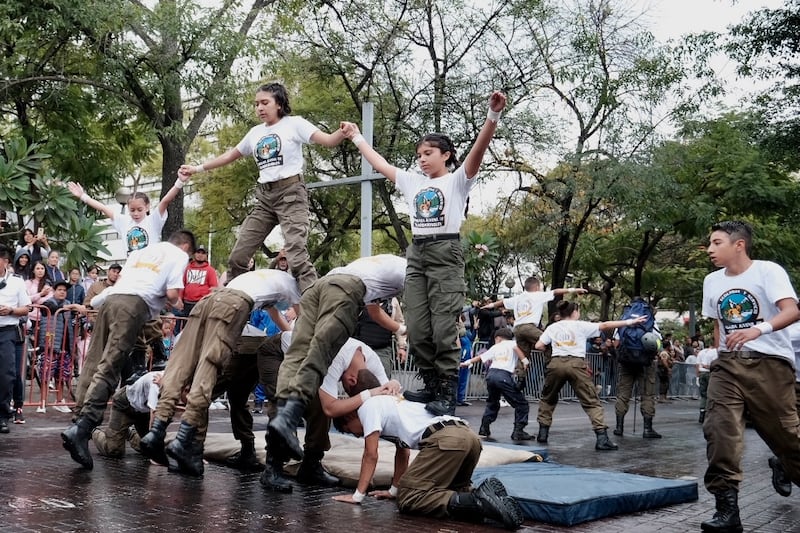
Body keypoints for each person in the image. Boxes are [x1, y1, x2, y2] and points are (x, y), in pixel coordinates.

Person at [341, 90, 507, 417]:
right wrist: (357, 136)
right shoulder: (413, 182)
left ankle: (446, 390)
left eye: (428, 153)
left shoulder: (458, 180)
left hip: (445, 251)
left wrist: (493, 116)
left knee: (444, 327)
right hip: (416, 253)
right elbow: (380, 164)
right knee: (416, 326)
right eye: (419, 154)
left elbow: (478, 150)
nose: (422, 158)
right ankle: (429, 382)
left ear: (445, 155)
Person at [178, 82, 348, 291]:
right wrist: (197, 168)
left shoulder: (295, 124)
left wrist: (343, 132)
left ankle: (313, 303)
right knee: (238, 256)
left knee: (296, 255)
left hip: (291, 195)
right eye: (256, 104)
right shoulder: (255, 133)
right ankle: (235, 297)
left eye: (264, 103)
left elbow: (329, 140)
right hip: (265, 199)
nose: (259, 108)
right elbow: (230, 155)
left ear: (278, 104)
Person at [139, 268, 300, 477]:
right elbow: (304, 320)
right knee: (209, 374)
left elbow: (275, 315)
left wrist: (287, 333)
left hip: (209, 301)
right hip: (234, 315)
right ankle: (185, 441)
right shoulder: (294, 285)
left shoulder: (265, 278)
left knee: (182, 366)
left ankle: (160, 431)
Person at [263, 254, 406, 488]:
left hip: (319, 288)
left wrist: (395, 384)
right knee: (288, 400)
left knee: (315, 401)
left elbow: (390, 393)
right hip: (274, 351)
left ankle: (310, 464)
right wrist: (369, 395)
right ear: (350, 380)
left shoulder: (369, 358)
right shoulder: (338, 358)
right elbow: (332, 407)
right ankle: (273, 467)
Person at [60, 230, 195, 470]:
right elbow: (173, 294)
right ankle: (82, 428)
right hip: (133, 306)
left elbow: (119, 283)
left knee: (93, 361)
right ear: (186, 246)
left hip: (113, 300)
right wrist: (177, 303)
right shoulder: (179, 256)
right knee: (110, 366)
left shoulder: (142, 251)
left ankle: (78, 420)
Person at [700, 220, 800, 532]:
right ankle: (727, 511)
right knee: (719, 431)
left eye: (717, 243)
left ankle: (786, 466)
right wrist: (717, 354)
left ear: (739, 245)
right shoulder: (712, 281)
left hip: (769, 364)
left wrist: (758, 329)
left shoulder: (768, 271)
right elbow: (718, 323)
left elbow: (792, 310)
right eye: (710, 243)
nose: (710, 249)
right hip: (728, 366)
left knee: (789, 438)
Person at [332, 371, 524, 530]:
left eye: (351, 431)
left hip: (447, 440)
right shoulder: (394, 402)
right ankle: (490, 499)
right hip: (469, 438)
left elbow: (370, 454)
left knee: (410, 496)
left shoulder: (368, 407)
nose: (357, 436)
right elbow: (403, 451)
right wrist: (393, 490)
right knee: (450, 490)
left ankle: (479, 501)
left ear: (349, 416)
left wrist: (357, 496)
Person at [534, 300, 647, 451]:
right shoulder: (581, 325)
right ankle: (602, 438)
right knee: (591, 401)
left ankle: (543, 433)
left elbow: (538, 346)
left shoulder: (553, 327)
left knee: (548, 398)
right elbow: (605, 325)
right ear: (574, 312)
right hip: (576, 364)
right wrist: (630, 321)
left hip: (555, 364)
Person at [483, 277, 587, 388]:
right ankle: (549, 367)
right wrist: (574, 290)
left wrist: (489, 305)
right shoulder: (538, 295)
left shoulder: (518, 298)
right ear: (537, 287)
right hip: (529, 328)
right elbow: (556, 292)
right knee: (549, 342)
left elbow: (502, 302)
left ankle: (520, 379)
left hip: (517, 330)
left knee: (523, 356)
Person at [68, 174, 188, 254]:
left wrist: (180, 181)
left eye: (139, 210)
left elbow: (165, 200)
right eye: (132, 210)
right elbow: (103, 208)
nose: (136, 213)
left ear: (147, 207)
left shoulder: (153, 220)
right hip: (131, 268)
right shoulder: (124, 221)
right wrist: (83, 196)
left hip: (151, 267)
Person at [460, 327, 533, 441]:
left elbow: (481, 357)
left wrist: (467, 362)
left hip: (491, 374)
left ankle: (484, 428)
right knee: (521, 404)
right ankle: (518, 431)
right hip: (503, 376)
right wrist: (524, 360)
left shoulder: (495, 346)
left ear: (498, 338)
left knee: (492, 402)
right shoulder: (512, 343)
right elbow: (517, 349)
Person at [0, 244, 33, 435]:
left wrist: (11, 310)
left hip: (7, 331)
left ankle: (3, 416)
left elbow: (27, 308)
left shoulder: (17, 282)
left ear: (5, 261)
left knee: (6, 374)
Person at [354, 296, 406, 379]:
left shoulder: (392, 301)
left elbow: (399, 323)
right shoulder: (361, 297)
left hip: (382, 350)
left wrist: (402, 347)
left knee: (383, 382)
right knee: (357, 381)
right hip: (359, 350)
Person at [176, 245, 219, 334]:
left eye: (203, 253)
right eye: (198, 252)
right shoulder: (187, 268)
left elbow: (213, 288)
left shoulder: (210, 270)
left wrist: (209, 304)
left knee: (199, 329)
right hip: (186, 303)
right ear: (194, 254)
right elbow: (182, 284)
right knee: (185, 328)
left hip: (201, 304)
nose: (200, 255)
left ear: (206, 255)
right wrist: (179, 298)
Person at [695, 343, 717, 423]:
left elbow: (697, 365)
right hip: (710, 373)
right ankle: (710, 414)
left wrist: (697, 376)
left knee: (703, 395)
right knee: (712, 395)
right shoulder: (715, 352)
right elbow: (714, 365)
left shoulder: (702, 352)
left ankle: (702, 414)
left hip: (702, 374)